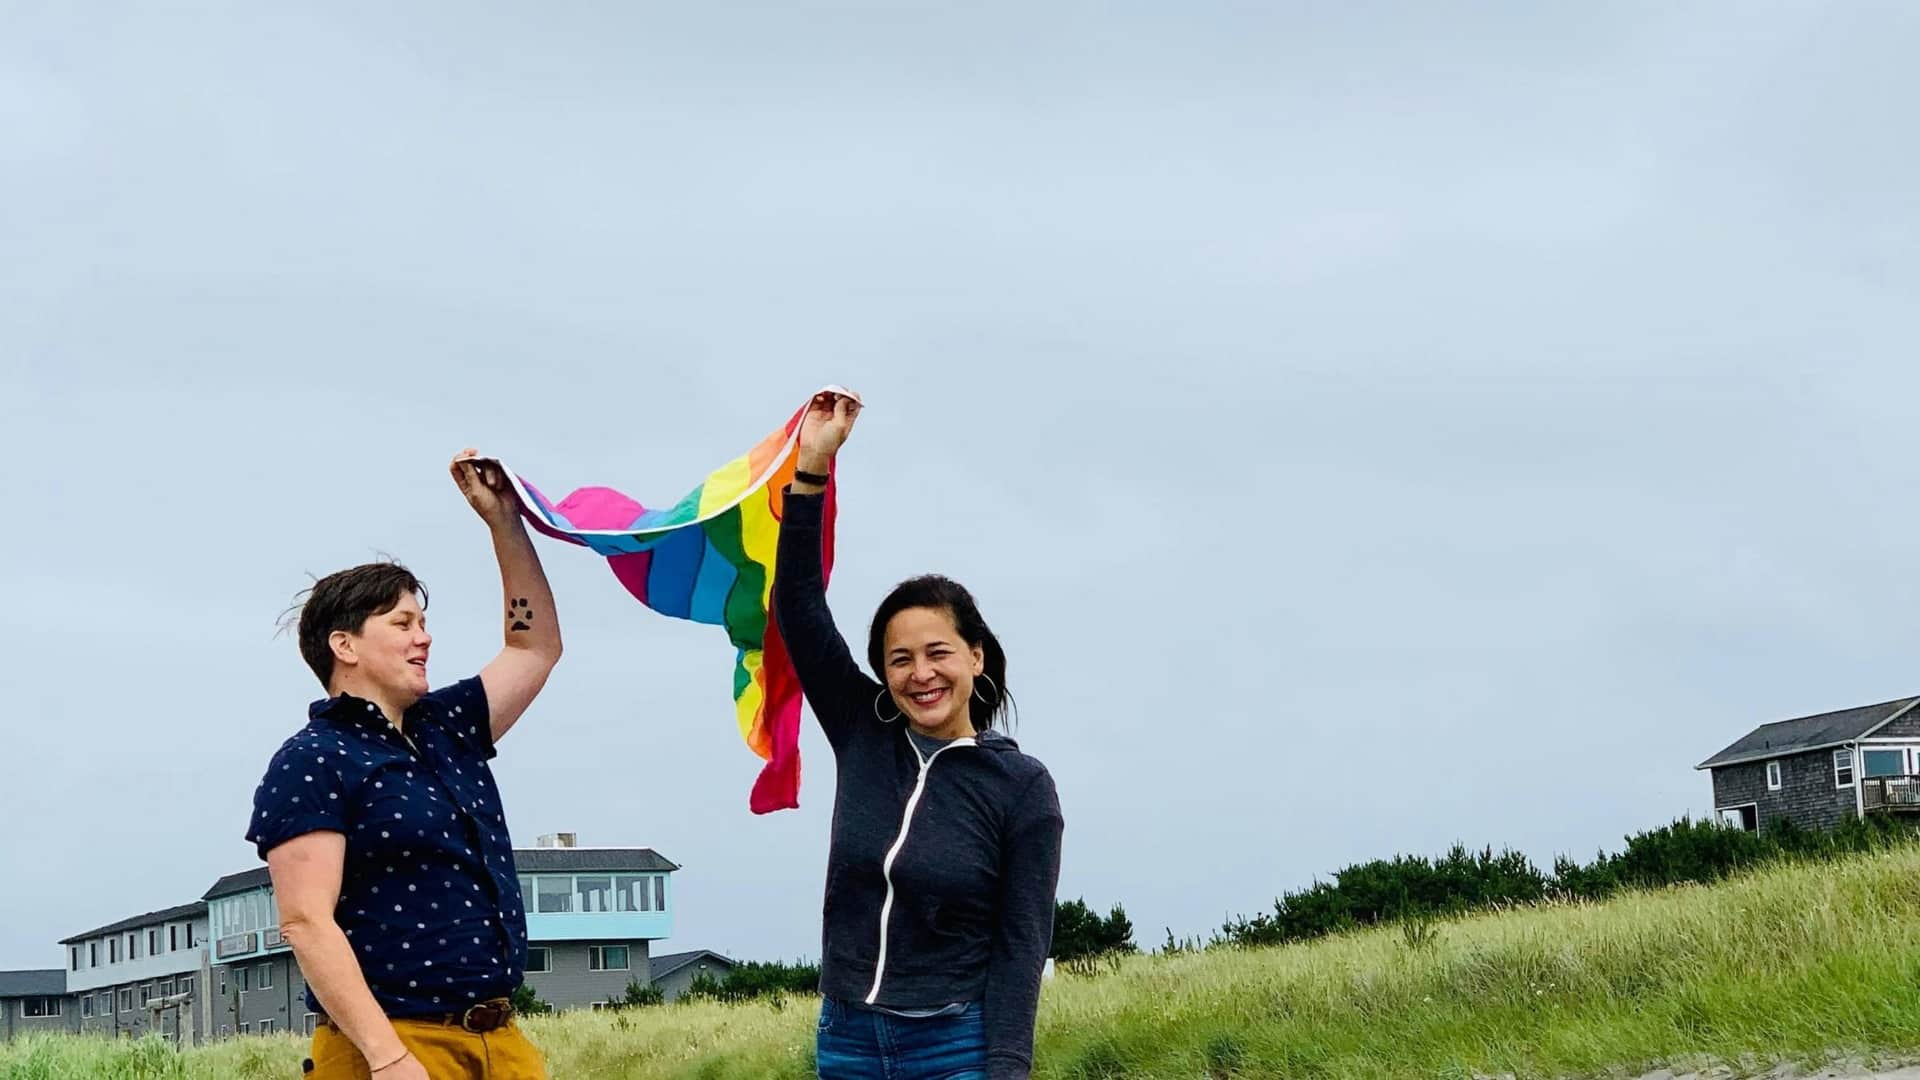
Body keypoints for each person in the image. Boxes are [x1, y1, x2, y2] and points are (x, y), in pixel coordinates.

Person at [773, 392, 1065, 1080]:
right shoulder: (862, 729)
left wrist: (1007, 1068)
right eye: (899, 659)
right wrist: (813, 469)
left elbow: (1021, 947)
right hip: (846, 1040)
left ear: (975, 658)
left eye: (938, 652)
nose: (920, 674)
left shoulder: (1022, 789)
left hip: (955, 1045)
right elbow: (798, 608)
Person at [247, 451, 562, 1080]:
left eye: (424, 622)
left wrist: (503, 521)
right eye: (403, 623)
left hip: (501, 1039)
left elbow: (534, 646)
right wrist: (387, 1057)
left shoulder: (449, 728)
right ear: (345, 645)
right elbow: (305, 921)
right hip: (391, 1043)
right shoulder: (312, 759)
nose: (425, 637)